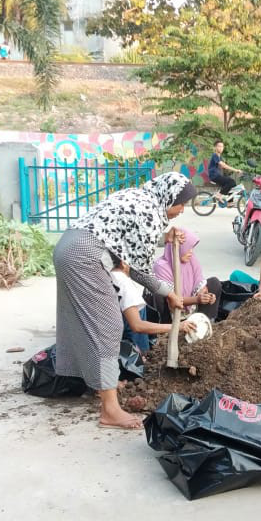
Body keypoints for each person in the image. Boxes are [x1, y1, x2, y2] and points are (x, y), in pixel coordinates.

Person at [53, 172, 196, 430]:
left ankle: (101, 383)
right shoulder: (149, 213)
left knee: (85, 323)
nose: (181, 210)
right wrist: (170, 293)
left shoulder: (138, 197)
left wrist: (165, 238)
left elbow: (120, 235)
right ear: (169, 197)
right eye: (180, 203)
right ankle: (110, 409)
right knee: (107, 326)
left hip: (68, 248)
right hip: (86, 258)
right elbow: (139, 269)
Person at [110, 259, 196, 354]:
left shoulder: (108, 276)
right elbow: (137, 326)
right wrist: (177, 326)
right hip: (130, 349)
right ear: (124, 263)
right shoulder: (124, 284)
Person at [152, 229, 222, 322]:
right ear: (177, 247)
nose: (191, 252)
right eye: (188, 248)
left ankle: (204, 323)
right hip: (171, 312)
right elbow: (172, 299)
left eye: (192, 248)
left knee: (214, 283)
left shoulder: (192, 260)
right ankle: (166, 329)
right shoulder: (161, 266)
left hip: (191, 308)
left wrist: (206, 296)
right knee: (159, 293)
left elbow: (200, 284)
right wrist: (196, 299)